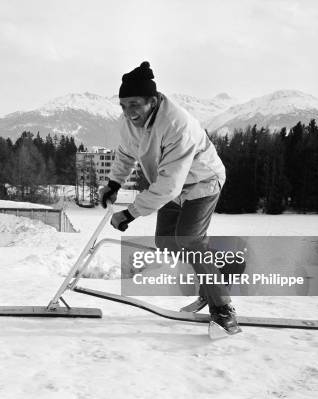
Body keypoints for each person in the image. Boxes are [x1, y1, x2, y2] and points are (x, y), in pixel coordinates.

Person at [99, 61, 240, 334]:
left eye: (135, 105)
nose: (129, 112)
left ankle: (223, 309)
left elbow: (169, 185)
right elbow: (128, 153)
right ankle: (215, 275)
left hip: (202, 181)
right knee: (166, 242)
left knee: (190, 239)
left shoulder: (177, 124)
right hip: (172, 185)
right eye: (124, 105)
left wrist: (129, 213)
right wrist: (114, 183)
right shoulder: (130, 122)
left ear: (152, 101)